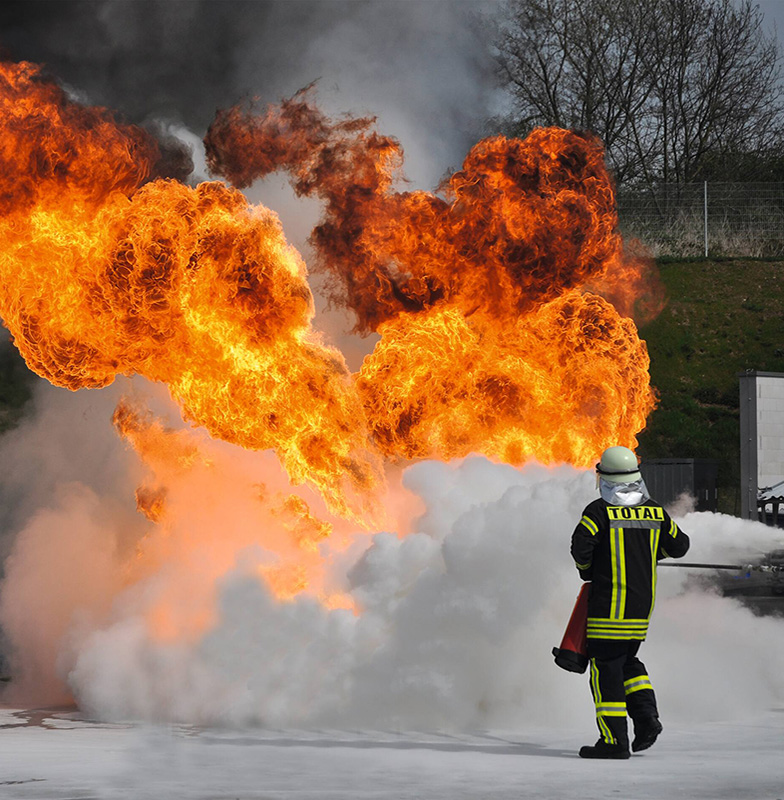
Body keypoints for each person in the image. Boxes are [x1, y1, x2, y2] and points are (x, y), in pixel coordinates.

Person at [571, 445, 690, 759]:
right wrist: (649, 555)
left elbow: (580, 548)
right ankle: (647, 719)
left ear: (604, 478)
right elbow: (679, 547)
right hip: (639, 610)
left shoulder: (598, 512)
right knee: (626, 662)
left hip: (608, 607)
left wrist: (588, 571)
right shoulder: (655, 511)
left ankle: (614, 741)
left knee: (604, 669)